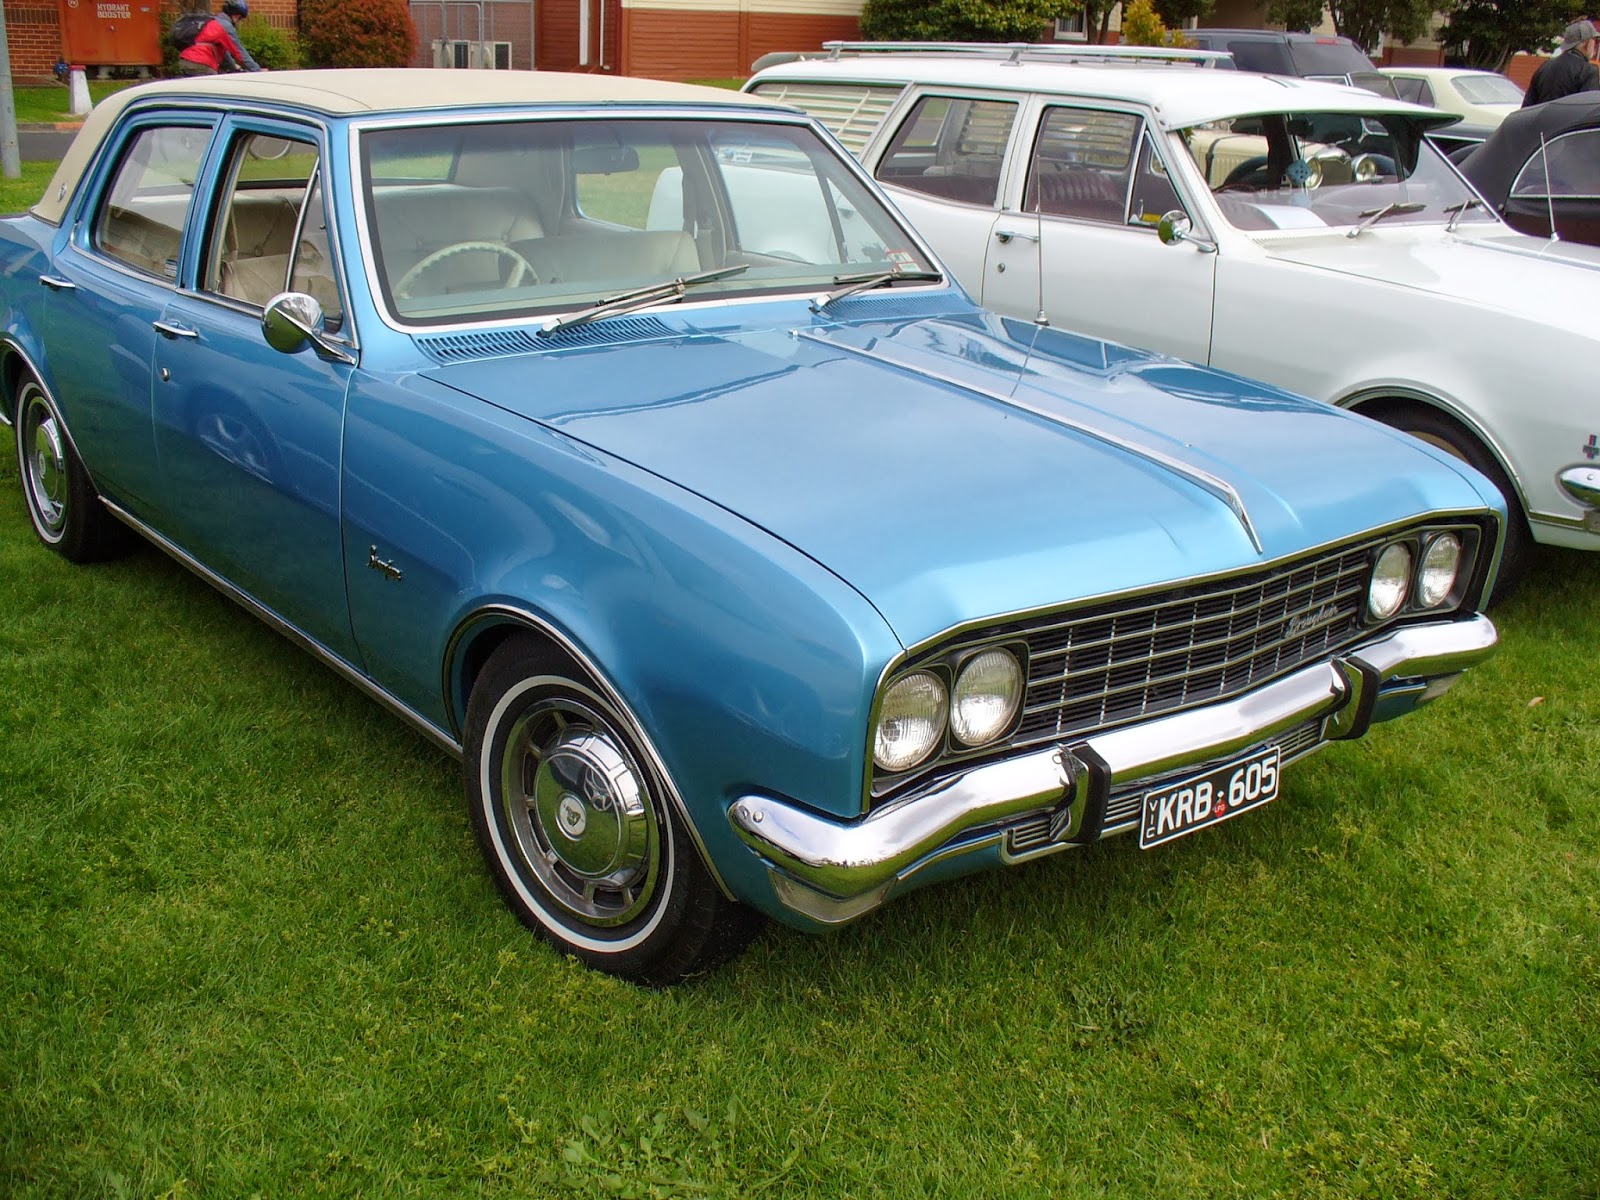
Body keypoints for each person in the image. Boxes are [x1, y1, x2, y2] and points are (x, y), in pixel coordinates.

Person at [176, 0, 265, 76]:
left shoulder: (213, 22)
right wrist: (257, 71)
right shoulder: (225, 26)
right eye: (240, 20)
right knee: (216, 90)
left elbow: (224, 52)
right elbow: (240, 52)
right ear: (236, 16)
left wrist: (233, 67)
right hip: (200, 64)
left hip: (186, 61)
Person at [1522, 19, 1599, 106]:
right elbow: (1589, 107)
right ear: (1587, 44)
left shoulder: (1544, 67)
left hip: (1542, 119)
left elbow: (1527, 107)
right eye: (1594, 41)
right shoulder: (1588, 71)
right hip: (1570, 119)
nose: (1595, 46)